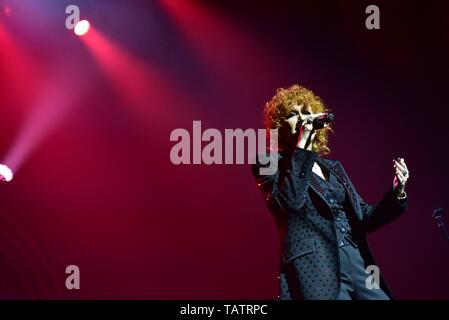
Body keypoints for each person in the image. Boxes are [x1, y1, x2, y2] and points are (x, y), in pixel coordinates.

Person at [252, 84, 409, 300]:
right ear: (280, 125)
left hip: (359, 261)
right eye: (292, 114)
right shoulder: (267, 162)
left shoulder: (334, 168)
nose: (301, 118)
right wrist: (304, 143)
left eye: (306, 112)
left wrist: (396, 192)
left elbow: (365, 218)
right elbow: (290, 203)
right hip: (316, 266)